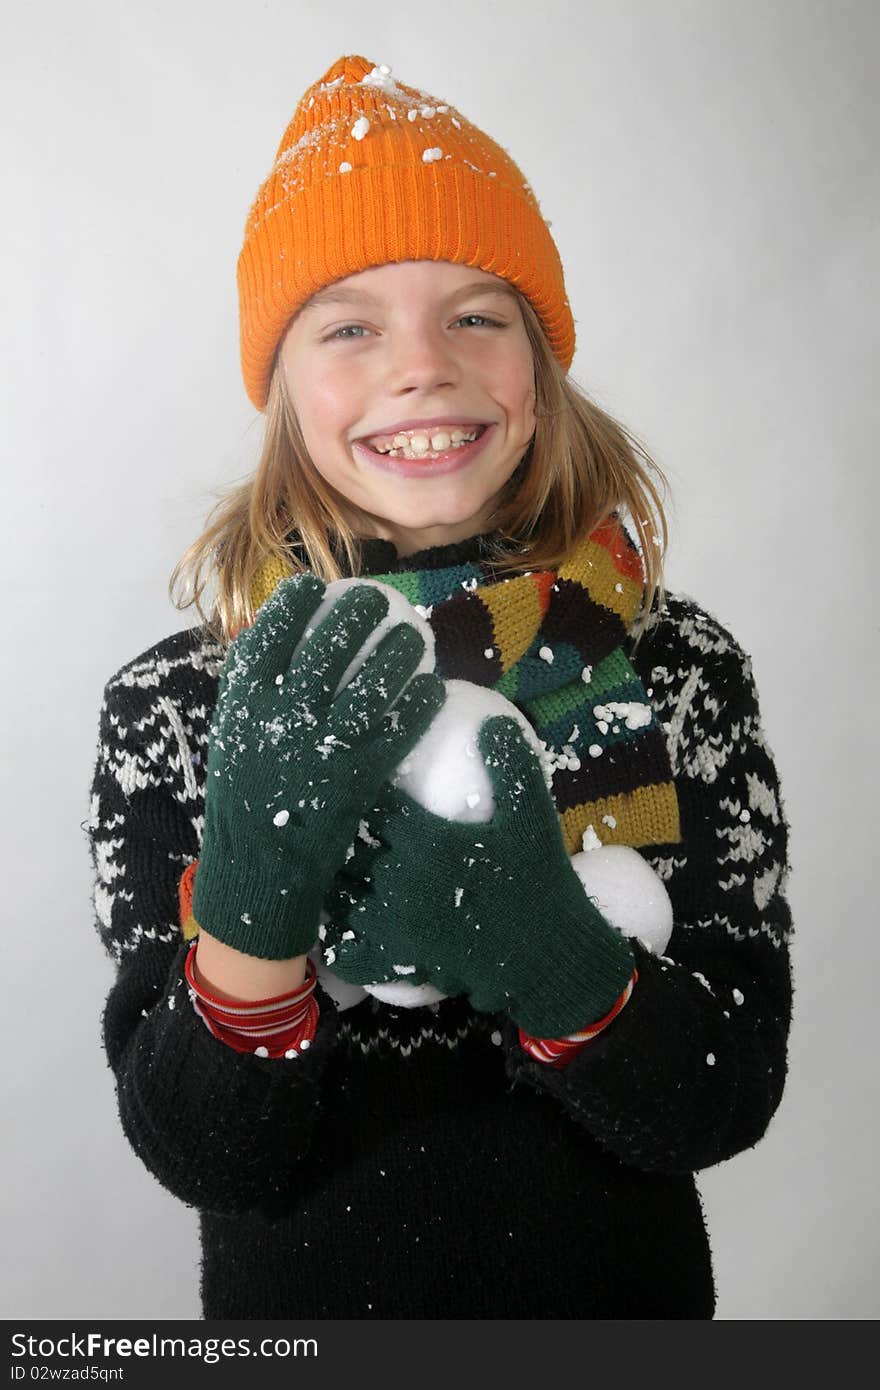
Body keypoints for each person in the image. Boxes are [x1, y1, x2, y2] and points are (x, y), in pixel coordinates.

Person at [86, 54, 792, 1320]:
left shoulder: (677, 669)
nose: (423, 365)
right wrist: (251, 914)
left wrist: (553, 952)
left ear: (540, 367)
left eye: (478, 314)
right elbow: (204, 1151)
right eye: (348, 324)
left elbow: (717, 1102)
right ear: (282, 384)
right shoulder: (182, 708)